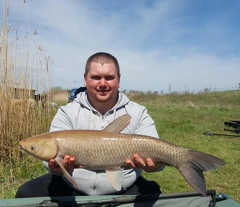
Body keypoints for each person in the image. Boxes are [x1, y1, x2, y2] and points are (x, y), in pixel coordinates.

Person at [16, 52, 164, 198]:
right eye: (96, 77)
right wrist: (56, 168)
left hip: (125, 187)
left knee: (154, 194)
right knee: (25, 193)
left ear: (118, 80)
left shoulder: (137, 112)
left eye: (109, 77)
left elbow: (159, 155)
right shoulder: (67, 112)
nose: (103, 84)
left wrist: (154, 166)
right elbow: (50, 163)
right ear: (85, 80)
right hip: (71, 187)